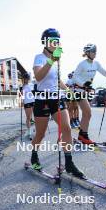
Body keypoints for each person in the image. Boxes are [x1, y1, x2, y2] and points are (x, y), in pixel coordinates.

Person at [29, 28, 83, 178]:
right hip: (42, 100)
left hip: (57, 99)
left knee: (66, 128)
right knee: (40, 133)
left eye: (57, 41)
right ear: (44, 42)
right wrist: (51, 60)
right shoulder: (39, 58)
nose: (55, 43)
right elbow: (39, 77)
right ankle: (34, 155)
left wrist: (68, 90)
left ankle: (69, 163)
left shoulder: (57, 59)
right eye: (52, 41)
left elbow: (56, 80)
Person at [73, 43, 106, 144]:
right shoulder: (82, 64)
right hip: (79, 91)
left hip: (86, 91)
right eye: (93, 52)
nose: (95, 53)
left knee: (87, 114)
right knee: (88, 113)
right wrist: (83, 84)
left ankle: (82, 136)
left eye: (95, 52)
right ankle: (84, 136)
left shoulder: (96, 64)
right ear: (87, 53)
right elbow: (75, 77)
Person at [22, 72, 35, 140]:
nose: (26, 80)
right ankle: (29, 132)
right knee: (28, 118)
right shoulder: (23, 86)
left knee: (35, 116)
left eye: (27, 79)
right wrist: (22, 102)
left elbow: (35, 92)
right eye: (25, 79)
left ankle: (36, 130)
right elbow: (22, 96)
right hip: (27, 102)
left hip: (33, 101)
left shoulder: (31, 84)